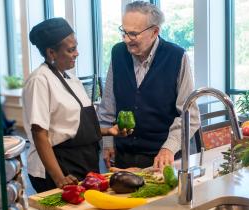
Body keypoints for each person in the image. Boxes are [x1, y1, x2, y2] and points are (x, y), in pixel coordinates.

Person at [23, 18, 127, 193]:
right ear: (51, 53)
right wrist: (59, 178)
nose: (77, 53)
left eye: (76, 47)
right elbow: (39, 133)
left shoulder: (70, 78)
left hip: (83, 163)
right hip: (60, 167)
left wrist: (109, 131)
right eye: (71, 50)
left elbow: (73, 126)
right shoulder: (39, 80)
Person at [98, 1, 200, 171]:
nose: (126, 39)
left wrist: (168, 148)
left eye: (133, 34)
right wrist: (108, 144)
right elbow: (108, 105)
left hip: (163, 160)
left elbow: (190, 115)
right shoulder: (118, 53)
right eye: (123, 32)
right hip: (124, 158)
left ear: (154, 32)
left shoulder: (177, 56)